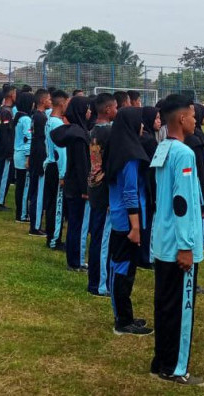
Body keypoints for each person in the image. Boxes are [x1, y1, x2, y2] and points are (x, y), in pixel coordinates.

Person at [148, 95, 204, 386]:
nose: (196, 120)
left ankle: (160, 360)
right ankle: (175, 367)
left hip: (162, 241)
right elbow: (181, 201)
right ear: (182, 119)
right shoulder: (183, 153)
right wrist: (186, 245)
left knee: (165, 304)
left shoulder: (163, 148)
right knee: (180, 309)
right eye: (193, 115)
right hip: (177, 247)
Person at [103, 107, 152, 336]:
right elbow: (130, 192)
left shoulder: (116, 147)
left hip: (119, 216)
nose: (143, 126)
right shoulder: (130, 155)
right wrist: (135, 227)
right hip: (127, 220)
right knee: (123, 269)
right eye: (140, 122)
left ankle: (124, 315)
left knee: (120, 266)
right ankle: (123, 320)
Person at [51, 96, 92, 272]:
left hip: (71, 183)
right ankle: (74, 261)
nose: (90, 112)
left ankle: (74, 259)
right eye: (87, 108)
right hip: (77, 186)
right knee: (77, 224)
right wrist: (85, 189)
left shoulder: (75, 131)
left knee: (75, 223)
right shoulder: (79, 135)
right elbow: (82, 164)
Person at [87, 93, 117, 296]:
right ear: (107, 110)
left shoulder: (92, 131)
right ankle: (99, 284)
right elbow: (111, 164)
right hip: (104, 190)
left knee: (97, 235)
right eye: (115, 107)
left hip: (94, 186)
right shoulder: (109, 133)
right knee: (103, 238)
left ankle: (95, 281)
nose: (117, 111)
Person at [184, 104, 204, 254]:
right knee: (203, 213)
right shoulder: (196, 137)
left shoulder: (198, 135)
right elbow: (201, 163)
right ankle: (202, 242)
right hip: (202, 182)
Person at [43, 90, 69, 250]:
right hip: (56, 167)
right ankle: (54, 240)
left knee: (52, 204)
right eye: (67, 103)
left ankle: (52, 236)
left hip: (50, 164)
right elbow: (61, 152)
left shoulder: (49, 120)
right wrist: (63, 174)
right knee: (57, 205)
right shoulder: (57, 124)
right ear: (61, 103)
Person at [138, 106, 160, 269]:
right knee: (147, 222)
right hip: (147, 185)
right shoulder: (149, 140)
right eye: (157, 118)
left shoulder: (143, 137)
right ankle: (146, 257)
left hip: (142, 184)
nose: (159, 121)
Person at [28, 89, 51, 236]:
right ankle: (35, 226)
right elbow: (41, 141)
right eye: (49, 99)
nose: (51, 101)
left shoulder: (35, 116)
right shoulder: (41, 118)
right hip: (40, 157)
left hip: (35, 154)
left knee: (35, 190)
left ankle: (35, 223)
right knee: (38, 192)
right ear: (42, 101)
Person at [0, 86, 17, 211]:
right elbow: (5, 133)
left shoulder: (3, 110)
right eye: (15, 93)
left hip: (2, 147)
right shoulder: (6, 112)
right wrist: (9, 150)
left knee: (2, 174)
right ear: (11, 95)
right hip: (5, 148)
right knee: (3, 175)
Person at [13, 92, 34, 222]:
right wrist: (28, 157)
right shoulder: (26, 119)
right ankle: (22, 214)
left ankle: (19, 213)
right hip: (23, 156)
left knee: (20, 185)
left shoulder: (19, 116)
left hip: (18, 153)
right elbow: (28, 139)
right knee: (24, 186)